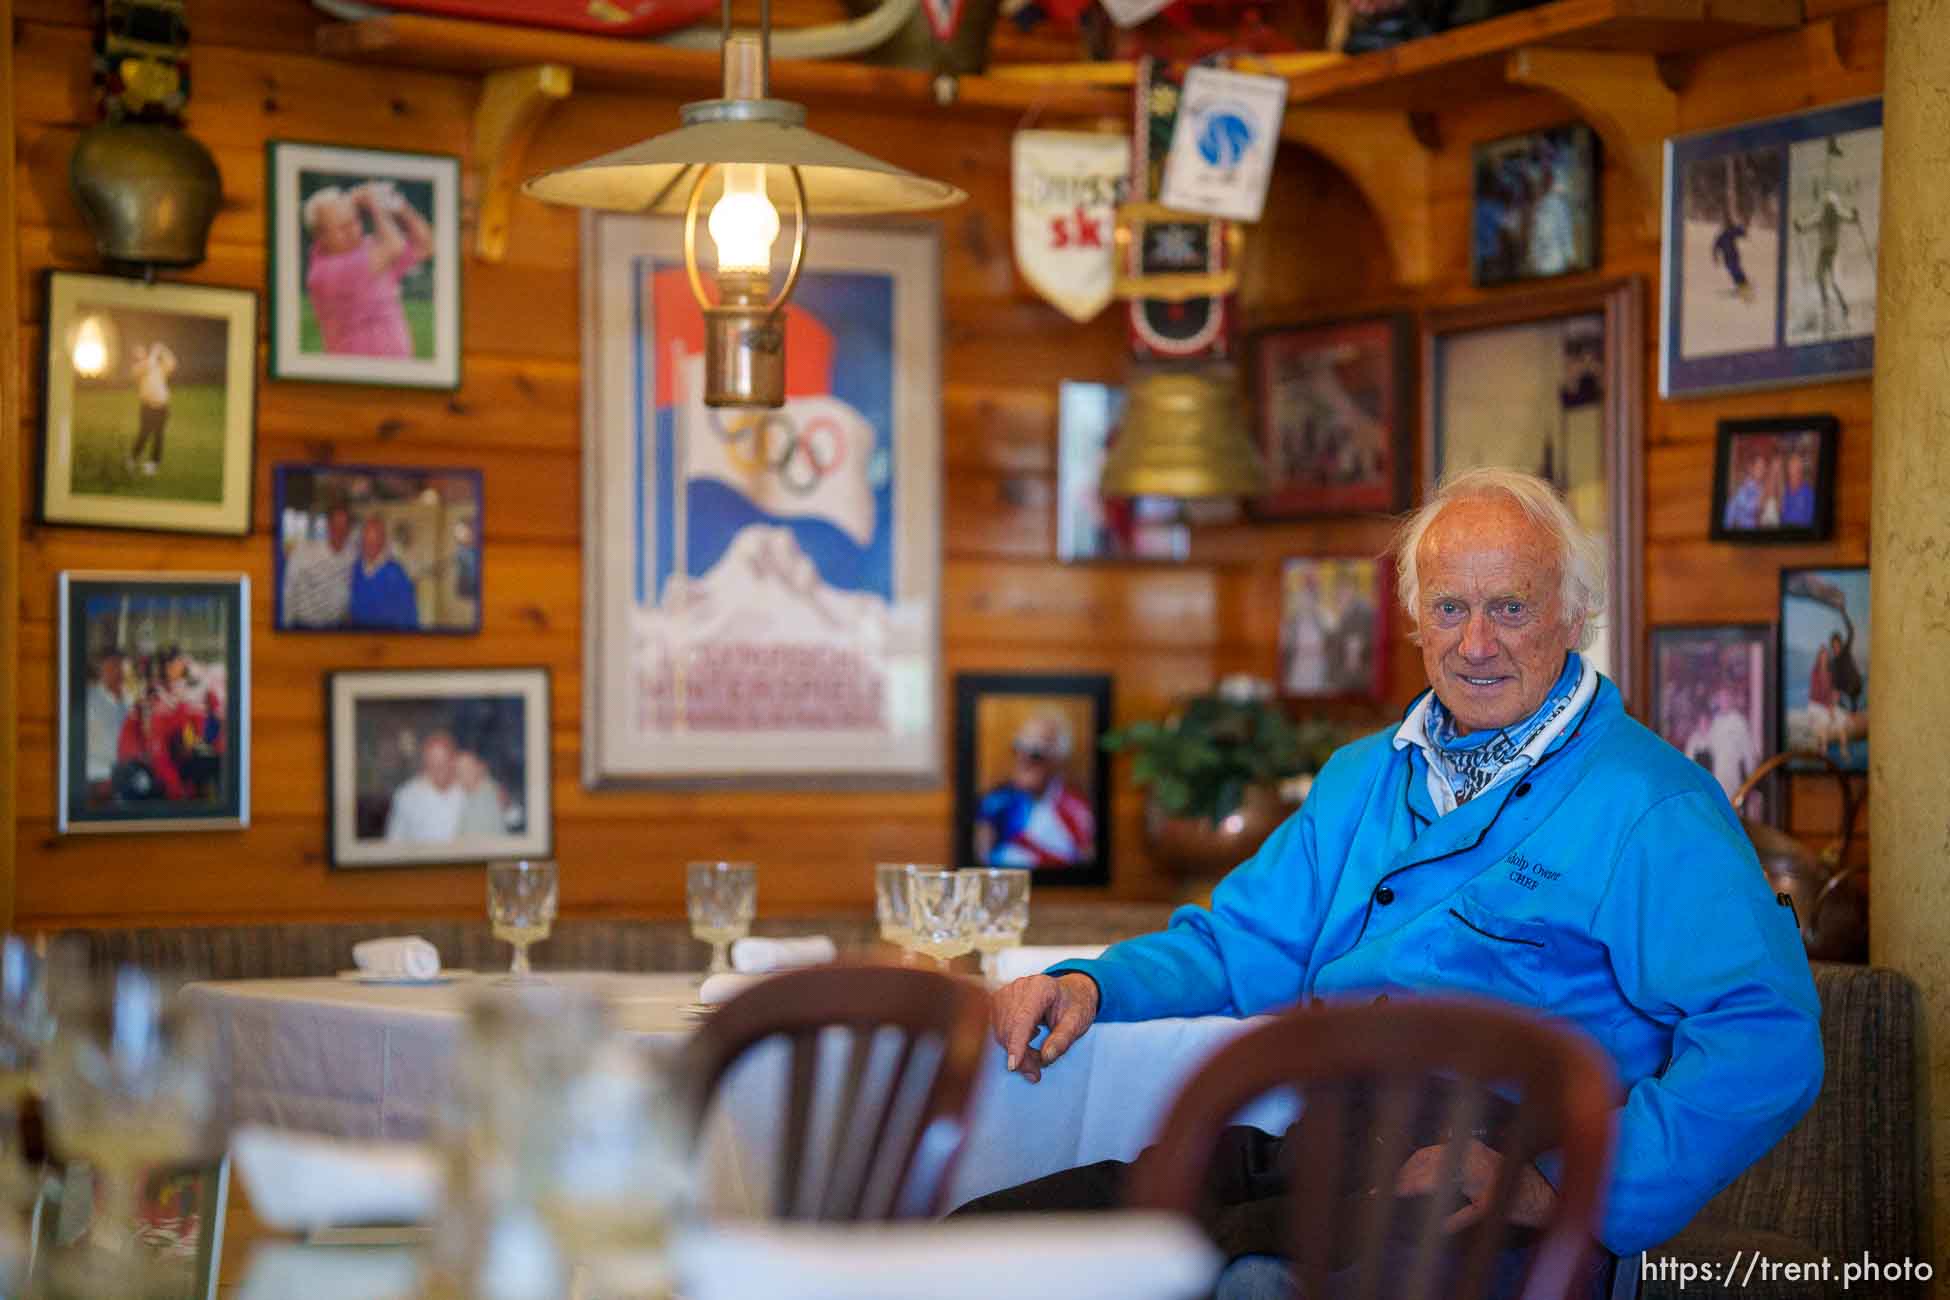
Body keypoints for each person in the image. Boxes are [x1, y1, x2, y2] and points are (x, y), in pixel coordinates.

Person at [970, 468, 1822, 1300]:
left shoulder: (1651, 804)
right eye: (1451, 607)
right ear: (1417, 618)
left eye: (1510, 608)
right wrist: (1090, 982)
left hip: (1501, 1183)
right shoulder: (1360, 777)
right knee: (999, 1245)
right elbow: (1243, 943)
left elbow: (1767, 1037)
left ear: (1575, 614)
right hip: (1328, 1146)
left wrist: (1560, 1184)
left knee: (1259, 1282)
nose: (1476, 643)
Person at [303, 181, 435, 359]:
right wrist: (375, 205)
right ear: (320, 236)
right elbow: (394, 246)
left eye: (354, 220)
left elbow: (426, 245)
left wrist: (400, 206)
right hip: (355, 377)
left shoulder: (367, 249)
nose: (353, 231)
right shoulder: (325, 272)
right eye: (342, 227)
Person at [972, 715, 1097, 868]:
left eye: (1035, 753)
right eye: (1018, 748)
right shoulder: (995, 802)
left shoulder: (1078, 810)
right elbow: (981, 863)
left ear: (1058, 759)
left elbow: (1086, 871)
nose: (1022, 760)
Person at [1793, 183, 1860, 329]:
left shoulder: (1836, 214)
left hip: (1831, 252)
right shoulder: (1826, 216)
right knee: (1821, 279)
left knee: (1832, 281)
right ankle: (1828, 305)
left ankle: (1841, 307)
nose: (1830, 210)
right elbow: (1805, 227)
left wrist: (1855, 215)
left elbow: (1852, 220)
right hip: (1826, 252)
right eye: (1828, 207)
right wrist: (1799, 226)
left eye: (1831, 207)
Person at [281, 503, 358, 628]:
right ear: (327, 525)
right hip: (302, 627)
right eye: (335, 525)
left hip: (335, 631)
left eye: (344, 526)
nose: (339, 531)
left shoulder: (353, 555)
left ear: (349, 529)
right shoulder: (303, 552)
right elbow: (288, 592)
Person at [384, 730, 465, 842]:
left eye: (444, 761)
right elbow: (393, 842)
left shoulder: (467, 791)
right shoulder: (406, 795)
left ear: (454, 760)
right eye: (433, 762)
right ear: (425, 762)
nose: (438, 768)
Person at [348, 515, 421, 630]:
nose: (370, 545)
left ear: (382, 542)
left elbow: (409, 619)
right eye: (366, 539)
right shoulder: (356, 568)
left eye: (375, 540)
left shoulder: (398, 574)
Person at [127, 340, 177, 476]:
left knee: (159, 436)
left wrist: (163, 348)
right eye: (137, 352)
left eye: (141, 350)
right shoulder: (138, 368)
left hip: (162, 407)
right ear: (134, 356)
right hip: (147, 407)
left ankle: (153, 464)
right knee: (144, 434)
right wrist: (155, 352)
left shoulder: (158, 367)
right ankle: (132, 459)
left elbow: (172, 363)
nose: (140, 353)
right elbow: (148, 365)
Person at [84, 650, 129, 792]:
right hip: (96, 776)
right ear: (102, 670)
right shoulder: (89, 698)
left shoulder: (130, 702)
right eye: (112, 667)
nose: (117, 672)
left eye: (120, 667)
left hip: (124, 776)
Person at [454, 750, 507, 837]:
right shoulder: (470, 794)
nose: (462, 774)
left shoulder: (486, 797)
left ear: (480, 768)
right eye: (458, 770)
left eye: (468, 768)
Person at [1711, 215, 1753, 301]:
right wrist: (1715, 257)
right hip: (1727, 257)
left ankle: (1744, 284)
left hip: (1734, 255)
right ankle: (1741, 285)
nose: (1725, 227)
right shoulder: (1721, 236)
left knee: (1736, 269)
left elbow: (1741, 232)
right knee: (1733, 271)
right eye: (1724, 225)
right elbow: (1715, 247)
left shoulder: (1730, 232)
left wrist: (1743, 228)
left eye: (1726, 225)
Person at [1780, 450, 1816, 528]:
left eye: (1797, 466)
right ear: (1787, 469)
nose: (1794, 470)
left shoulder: (1809, 493)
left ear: (1801, 469)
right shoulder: (1783, 490)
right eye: (1791, 465)